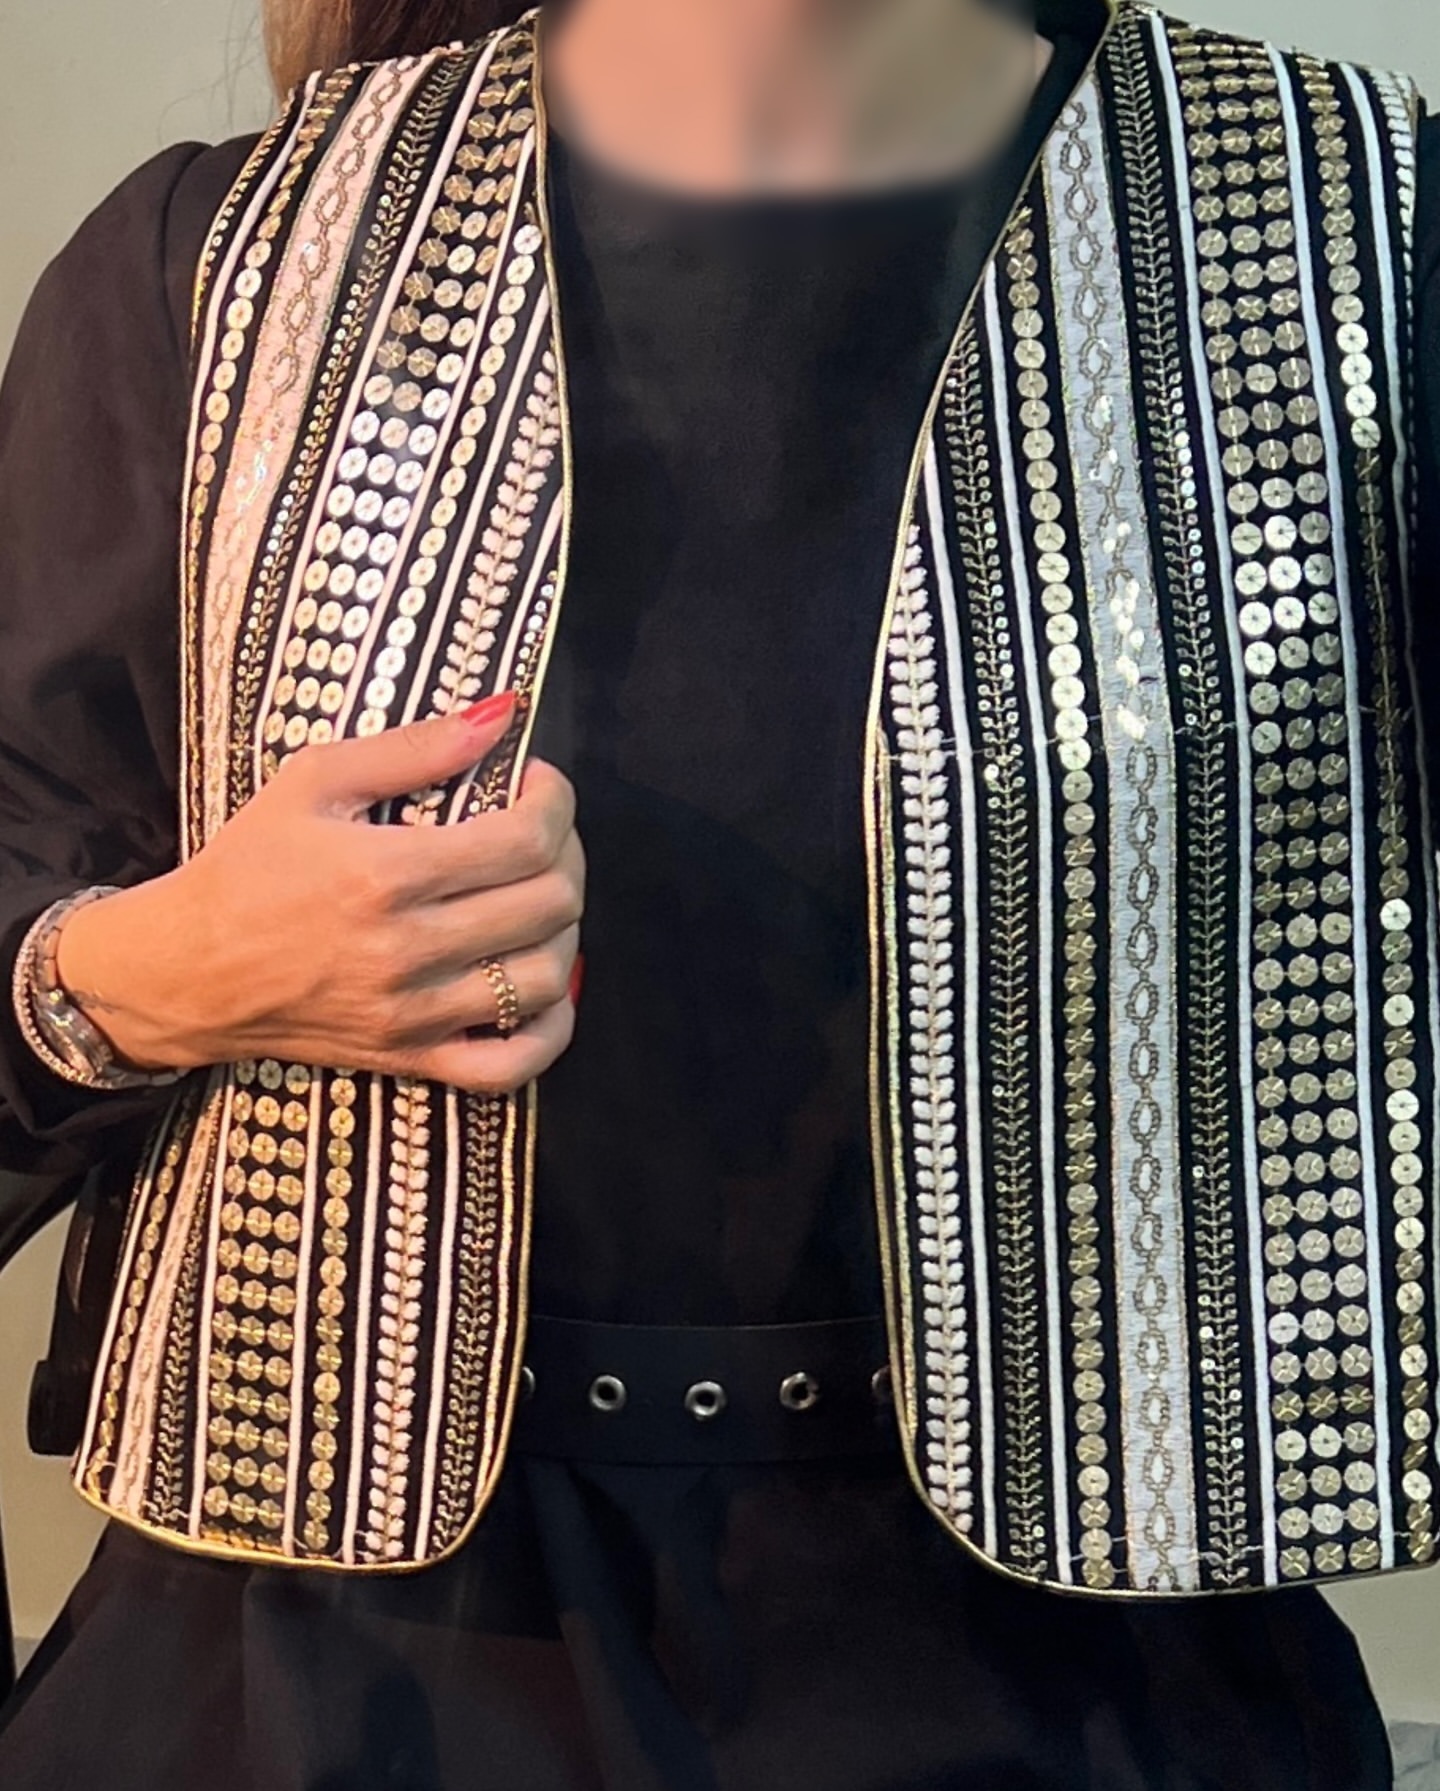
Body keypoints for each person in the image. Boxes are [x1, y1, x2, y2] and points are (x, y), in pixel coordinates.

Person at [0, 0, 1435, 1783]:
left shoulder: (1350, 231)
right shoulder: (216, 265)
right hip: (310, 1681)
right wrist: (149, 974)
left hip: (1092, 1696)